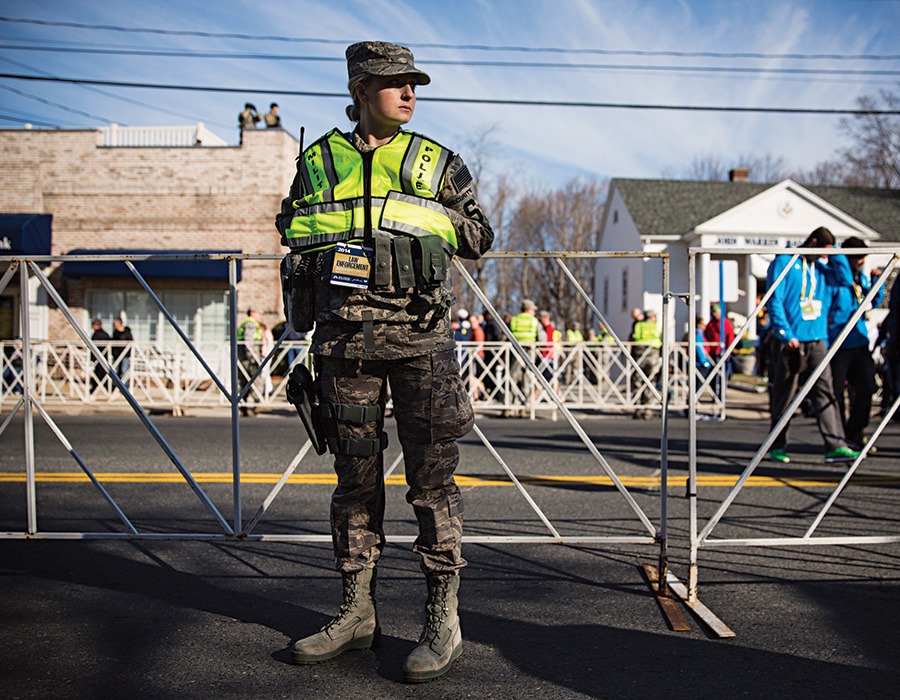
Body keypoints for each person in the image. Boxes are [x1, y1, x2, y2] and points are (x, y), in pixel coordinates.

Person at [276, 41, 493, 682]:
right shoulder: (317, 161)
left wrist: (412, 217)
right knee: (353, 485)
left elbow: (478, 235)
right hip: (343, 341)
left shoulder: (435, 161)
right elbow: (291, 228)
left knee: (432, 484)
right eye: (396, 83)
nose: (410, 93)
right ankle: (356, 613)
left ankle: (442, 618)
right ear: (361, 89)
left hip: (420, 341)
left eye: (413, 84)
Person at [764, 226, 860, 464]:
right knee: (785, 395)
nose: (825, 257)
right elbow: (774, 297)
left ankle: (835, 444)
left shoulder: (823, 268)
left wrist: (836, 253)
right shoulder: (785, 261)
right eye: (823, 250)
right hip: (792, 341)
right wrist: (784, 332)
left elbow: (845, 279)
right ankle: (776, 445)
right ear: (813, 242)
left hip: (818, 340)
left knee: (825, 393)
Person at [827, 237, 883, 450]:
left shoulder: (861, 278)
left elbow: (871, 302)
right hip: (838, 343)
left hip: (859, 341)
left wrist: (878, 284)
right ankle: (839, 435)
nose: (862, 261)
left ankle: (856, 430)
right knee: (837, 393)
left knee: (867, 387)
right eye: (859, 257)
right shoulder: (835, 277)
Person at [630, 308, 661, 418]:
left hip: (639, 354)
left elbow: (635, 337)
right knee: (650, 382)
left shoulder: (639, 325)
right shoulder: (656, 326)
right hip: (653, 354)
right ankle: (648, 409)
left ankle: (637, 408)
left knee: (637, 381)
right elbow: (660, 337)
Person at [704, 303, 735, 400]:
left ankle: (721, 396)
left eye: (716, 312)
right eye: (713, 312)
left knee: (722, 376)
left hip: (723, 354)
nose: (715, 314)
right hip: (713, 354)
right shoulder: (710, 324)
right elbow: (707, 338)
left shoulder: (726, 323)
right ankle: (714, 395)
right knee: (713, 376)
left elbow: (730, 338)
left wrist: (729, 352)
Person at [236, 308, 263, 416]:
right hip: (249, 359)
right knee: (255, 382)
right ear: (253, 313)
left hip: (243, 358)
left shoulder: (245, 323)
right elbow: (249, 342)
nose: (261, 316)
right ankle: (251, 406)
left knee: (244, 382)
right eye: (259, 313)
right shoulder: (250, 324)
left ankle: (243, 406)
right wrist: (253, 358)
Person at [111, 317, 133, 390]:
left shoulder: (127, 332)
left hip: (125, 355)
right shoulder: (115, 333)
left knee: (124, 370)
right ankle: (116, 387)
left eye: (115, 324)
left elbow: (131, 342)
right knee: (116, 371)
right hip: (116, 355)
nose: (114, 325)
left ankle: (125, 387)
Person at [89, 318, 110, 394]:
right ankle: (93, 391)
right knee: (100, 374)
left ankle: (110, 390)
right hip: (104, 357)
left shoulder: (96, 335)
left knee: (100, 375)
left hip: (98, 357)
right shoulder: (105, 334)